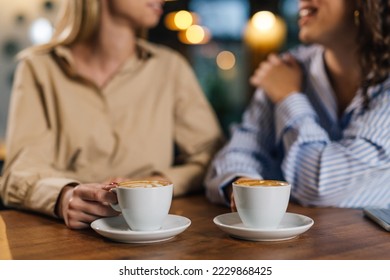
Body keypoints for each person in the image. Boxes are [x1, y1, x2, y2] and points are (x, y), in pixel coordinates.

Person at [0, 0, 223, 229]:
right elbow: (18, 174)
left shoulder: (171, 68)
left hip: (150, 237)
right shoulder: (37, 68)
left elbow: (213, 158)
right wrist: (64, 197)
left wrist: (156, 183)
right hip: (65, 239)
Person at [205, 0, 390, 210]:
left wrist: (289, 99)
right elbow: (239, 150)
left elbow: (321, 188)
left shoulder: (282, 82)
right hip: (289, 238)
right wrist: (243, 183)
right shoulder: (287, 67)